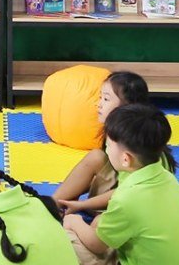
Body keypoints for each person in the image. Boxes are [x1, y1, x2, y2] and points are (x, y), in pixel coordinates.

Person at [64, 103, 179, 265]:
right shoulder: (163, 176)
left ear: (126, 159)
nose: (105, 149)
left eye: (108, 145)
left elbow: (96, 245)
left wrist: (74, 222)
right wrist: (83, 208)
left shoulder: (128, 199)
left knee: (65, 237)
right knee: (99, 222)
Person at [53, 71, 150, 218]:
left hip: (132, 203)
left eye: (106, 99)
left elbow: (128, 191)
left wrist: (83, 205)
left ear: (127, 106)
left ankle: (66, 207)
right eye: (100, 97)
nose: (98, 104)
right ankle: (54, 203)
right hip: (119, 192)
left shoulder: (134, 141)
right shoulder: (116, 130)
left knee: (96, 224)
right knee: (96, 157)